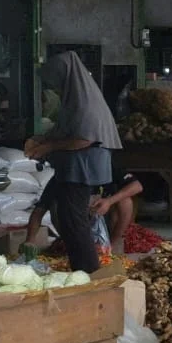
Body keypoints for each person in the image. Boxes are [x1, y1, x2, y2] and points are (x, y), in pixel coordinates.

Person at [24, 52, 122, 273]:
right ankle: (82, 266)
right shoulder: (76, 98)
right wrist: (44, 140)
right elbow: (68, 131)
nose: (55, 87)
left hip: (83, 169)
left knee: (74, 220)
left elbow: (84, 138)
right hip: (74, 169)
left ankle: (87, 269)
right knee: (69, 219)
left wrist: (48, 147)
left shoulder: (85, 103)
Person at [27, 159, 142, 251]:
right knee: (56, 203)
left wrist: (109, 201)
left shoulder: (107, 169)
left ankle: (110, 245)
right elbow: (39, 211)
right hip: (74, 224)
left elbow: (137, 186)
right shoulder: (60, 179)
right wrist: (30, 240)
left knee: (125, 201)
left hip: (103, 223)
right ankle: (70, 243)